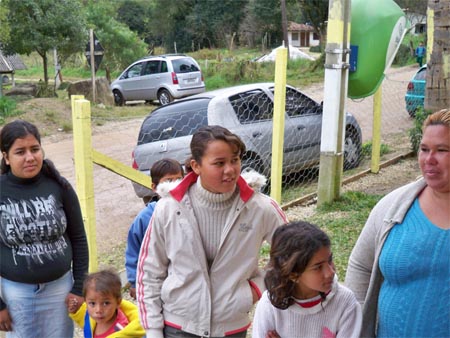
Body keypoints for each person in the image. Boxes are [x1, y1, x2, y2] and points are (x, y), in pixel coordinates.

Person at [136, 125, 288, 338]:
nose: (230, 169)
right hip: (177, 327)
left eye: (235, 160)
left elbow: (296, 255)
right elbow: (149, 273)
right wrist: (152, 330)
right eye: (219, 163)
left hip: (231, 328)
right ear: (196, 166)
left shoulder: (261, 208)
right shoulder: (169, 208)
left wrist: (256, 288)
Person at [345, 108, 450, 338]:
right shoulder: (393, 207)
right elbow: (361, 266)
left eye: (442, 150)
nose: (429, 159)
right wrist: (354, 325)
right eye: (424, 149)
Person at [0, 119, 89, 337]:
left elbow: (78, 238)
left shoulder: (60, 186)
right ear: (6, 157)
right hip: (16, 294)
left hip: (60, 291)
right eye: (20, 152)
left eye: (35, 149)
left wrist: (79, 288)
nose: (30, 157)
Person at [252, 221, 362, 338]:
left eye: (329, 260)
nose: (330, 272)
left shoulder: (345, 303)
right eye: (318, 267)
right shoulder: (270, 305)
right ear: (293, 274)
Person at [125, 158, 184, 299]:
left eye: (179, 180)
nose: (174, 185)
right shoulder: (145, 218)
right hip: (154, 282)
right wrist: (134, 283)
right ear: (154, 187)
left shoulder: (190, 210)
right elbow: (134, 251)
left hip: (183, 281)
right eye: (169, 181)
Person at [69, 269, 145, 338]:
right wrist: (75, 310)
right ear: (85, 301)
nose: (98, 310)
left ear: (118, 302)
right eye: (92, 303)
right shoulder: (92, 318)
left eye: (106, 303)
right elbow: (86, 323)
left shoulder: (121, 331)